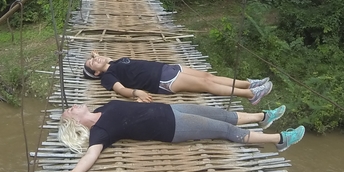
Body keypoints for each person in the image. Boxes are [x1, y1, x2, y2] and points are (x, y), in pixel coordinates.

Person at [57, 100, 304, 172]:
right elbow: (92, 154)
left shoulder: (101, 110)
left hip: (171, 109)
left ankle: (263, 117)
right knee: (225, 130)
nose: (74, 106)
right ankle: (280, 140)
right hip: (173, 127)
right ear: (76, 123)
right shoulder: (100, 131)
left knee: (222, 114)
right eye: (70, 110)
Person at [82, 51, 273, 106]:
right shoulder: (107, 77)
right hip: (161, 81)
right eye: (92, 63)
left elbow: (102, 57)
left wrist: (96, 57)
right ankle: (250, 95)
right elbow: (120, 89)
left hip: (167, 68)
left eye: (93, 58)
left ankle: (249, 83)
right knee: (206, 84)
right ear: (97, 74)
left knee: (208, 76)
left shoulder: (112, 63)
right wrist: (136, 92)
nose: (94, 59)